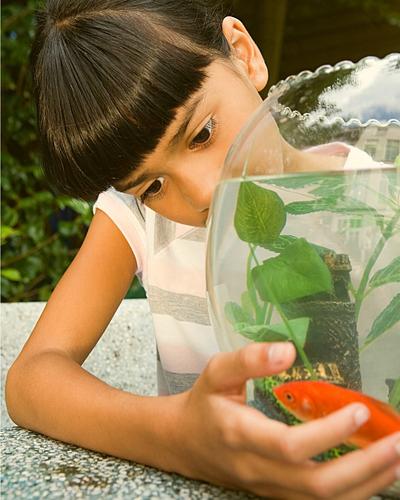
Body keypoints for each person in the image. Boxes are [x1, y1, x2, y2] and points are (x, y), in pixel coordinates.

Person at [5, 1, 400, 498]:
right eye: (151, 185)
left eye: (202, 134)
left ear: (243, 53)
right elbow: (31, 379)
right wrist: (176, 438)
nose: (201, 193)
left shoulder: (378, 201)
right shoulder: (138, 220)